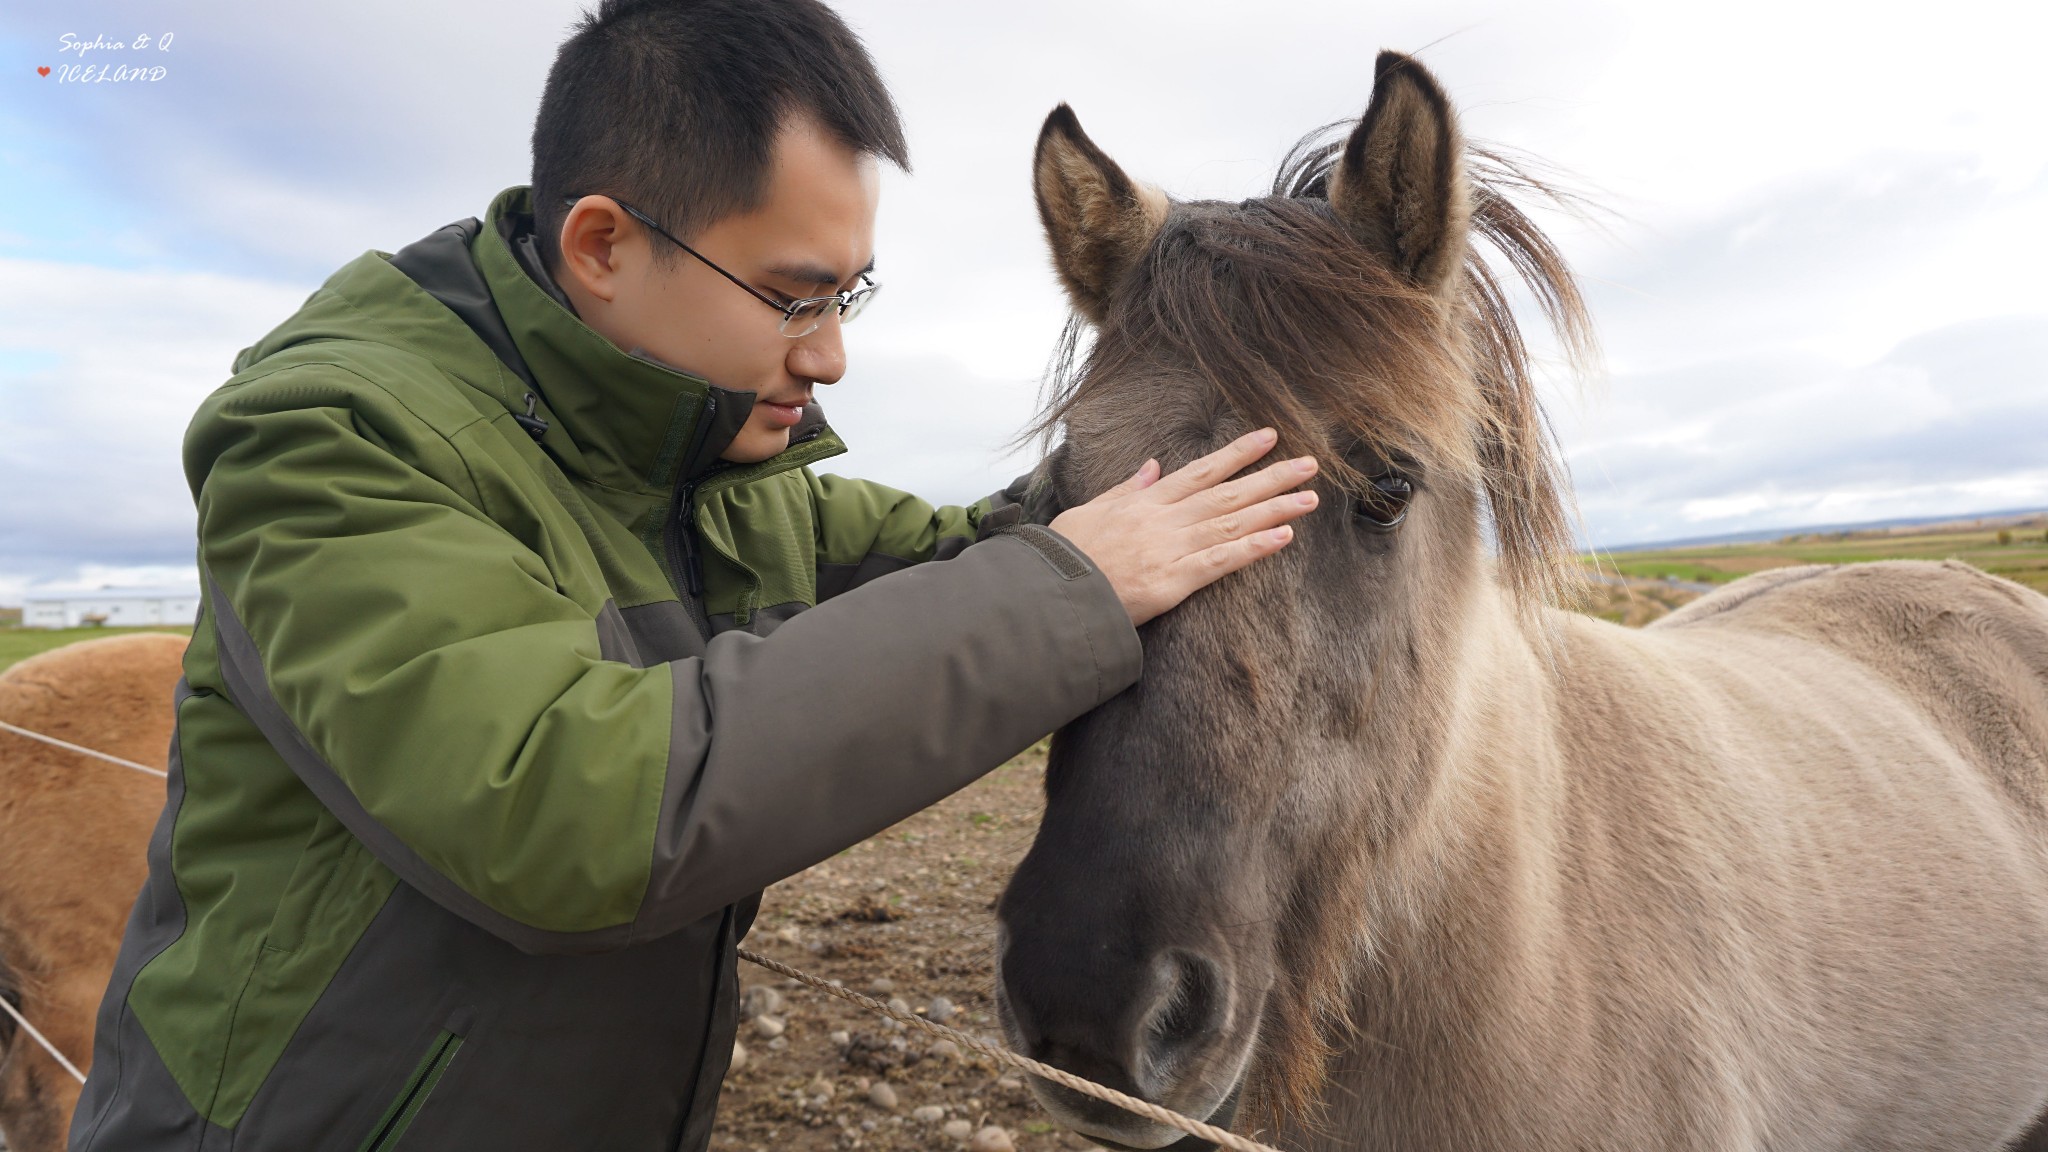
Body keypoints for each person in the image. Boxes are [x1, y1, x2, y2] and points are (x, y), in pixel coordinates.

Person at [66, 1, 1318, 1149]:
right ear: (604, 245)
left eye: (851, 293)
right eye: (792, 296)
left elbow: (966, 557)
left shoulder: (703, 477)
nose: (828, 355)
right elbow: (553, 809)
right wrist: (1073, 588)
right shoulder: (331, 438)